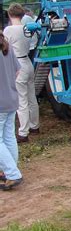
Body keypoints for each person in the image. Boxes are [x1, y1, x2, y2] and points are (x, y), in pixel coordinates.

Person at [4, 3, 40, 143]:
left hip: (17, 64)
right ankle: (34, 125)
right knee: (31, 96)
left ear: (9, 14)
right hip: (27, 62)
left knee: (21, 100)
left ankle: (23, 132)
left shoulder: (9, 30)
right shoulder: (27, 28)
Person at [0, 30, 24, 190]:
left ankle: (12, 173)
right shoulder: (6, 46)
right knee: (8, 136)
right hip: (11, 99)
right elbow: (17, 71)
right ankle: (10, 171)